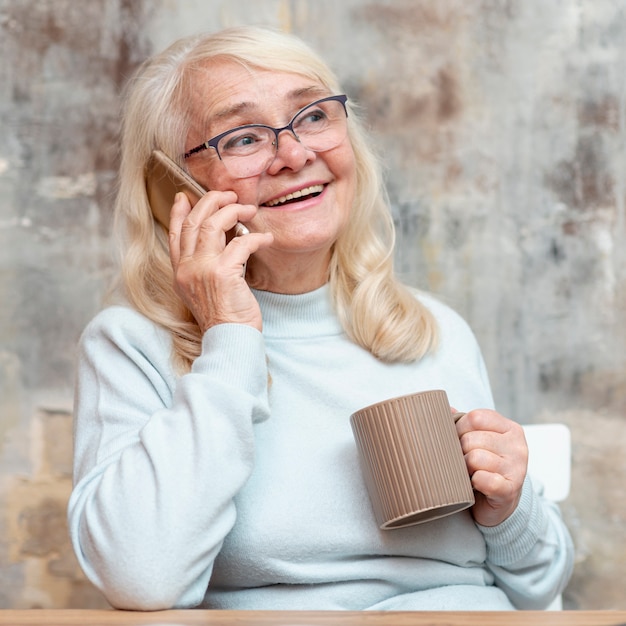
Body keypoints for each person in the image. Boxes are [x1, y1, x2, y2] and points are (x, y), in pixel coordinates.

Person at [67, 25, 574, 611]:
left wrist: (510, 508)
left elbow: (539, 589)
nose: (296, 154)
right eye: (243, 138)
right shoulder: (133, 344)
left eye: (312, 116)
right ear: (174, 187)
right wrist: (230, 341)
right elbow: (140, 578)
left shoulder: (432, 330)